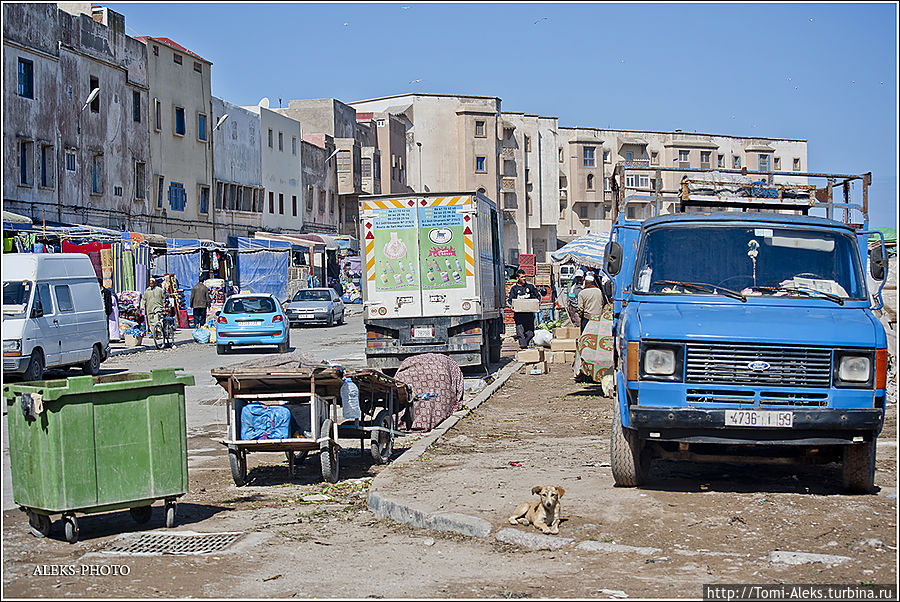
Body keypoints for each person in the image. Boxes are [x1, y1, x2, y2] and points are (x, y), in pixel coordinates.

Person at [507, 269, 542, 349]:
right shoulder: (514, 289)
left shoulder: (530, 287)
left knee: (530, 333)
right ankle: (523, 349)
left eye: (525, 276)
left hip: (529, 314)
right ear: (517, 278)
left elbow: (538, 296)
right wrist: (511, 306)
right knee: (520, 333)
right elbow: (509, 300)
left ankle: (524, 344)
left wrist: (538, 303)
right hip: (519, 315)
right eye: (522, 277)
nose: (524, 278)